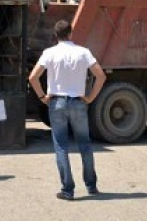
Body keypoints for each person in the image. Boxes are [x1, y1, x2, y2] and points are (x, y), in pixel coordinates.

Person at [28, 19, 107, 201]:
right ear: (71, 33)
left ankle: (68, 190)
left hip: (56, 103)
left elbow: (33, 77)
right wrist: (90, 97)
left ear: (55, 36)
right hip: (78, 102)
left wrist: (42, 97)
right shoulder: (83, 52)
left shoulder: (49, 53)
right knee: (85, 144)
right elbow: (100, 76)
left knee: (61, 146)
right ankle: (91, 185)